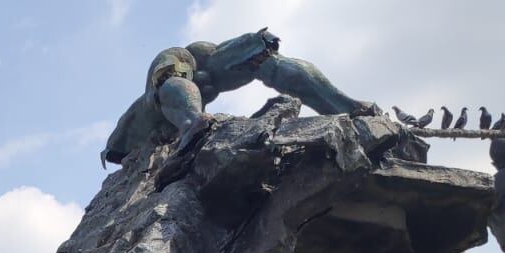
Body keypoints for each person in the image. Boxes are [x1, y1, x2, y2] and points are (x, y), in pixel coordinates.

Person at [102, 28, 377, 169]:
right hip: (149, 121)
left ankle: (344, 107)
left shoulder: (206, 64)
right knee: (170, 74)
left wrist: (256, 46)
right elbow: (166, 81)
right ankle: (192, 124)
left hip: (191, 82)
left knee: (263, 59)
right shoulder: (171, 74)